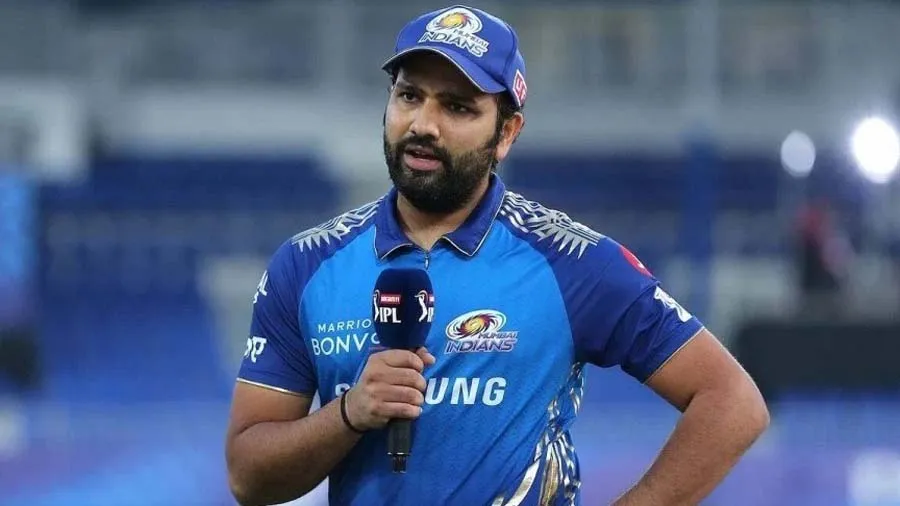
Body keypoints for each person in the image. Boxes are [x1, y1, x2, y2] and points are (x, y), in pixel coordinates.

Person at [225, 5, 769, 505]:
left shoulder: (570, 260)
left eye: (457, 107)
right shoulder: (306, 264)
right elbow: (249, 477)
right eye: (409, 96)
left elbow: (732, 402)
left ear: (506, 133)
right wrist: (349, 413)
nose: (423, 125)